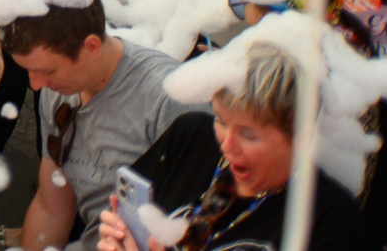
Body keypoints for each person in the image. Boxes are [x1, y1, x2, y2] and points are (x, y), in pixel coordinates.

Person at [104, 38, 372, 251]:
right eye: (221, 120)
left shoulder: (328, 219)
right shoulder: (191, 138)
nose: (227, 145)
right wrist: (115, 234)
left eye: (248, 134)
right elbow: (120, 214)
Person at [7, 0, 186, 251]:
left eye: (47, 71)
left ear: (91, 47)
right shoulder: (57, 90)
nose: (35, 85)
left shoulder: (169, 99)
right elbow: (51, 208)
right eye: (28, 71)